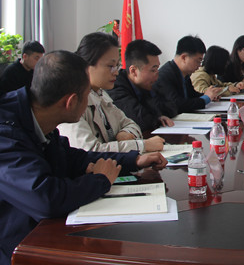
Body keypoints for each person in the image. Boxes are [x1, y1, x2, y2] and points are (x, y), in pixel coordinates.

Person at [0, 51, 167, 265]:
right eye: (87, 95)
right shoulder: (6, 133)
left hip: (42, 232)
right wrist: (100, 180)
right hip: (19, 248)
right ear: (70, 102)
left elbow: (72, 158)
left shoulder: (36, 114)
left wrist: (133, 160)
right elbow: (46, 198)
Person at [58, 33, 164, 152]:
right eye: (110, 66)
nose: (116, 72)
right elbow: (90, 151)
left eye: (117, 66)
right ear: (87, 65)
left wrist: (125, 133)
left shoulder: (100, 94)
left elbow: (131, 124)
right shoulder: (72, 102)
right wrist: (142, 145)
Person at [107, 39, 177, 134]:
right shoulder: (115, 87)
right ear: (133, 71)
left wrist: (157, 116)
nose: (157, 74)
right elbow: (141, 121)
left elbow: (172, 108)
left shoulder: (146, 83)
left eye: (157, 69)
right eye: (153, 70)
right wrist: (157, 117)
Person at [153, 35, 221, 114]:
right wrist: (206, 98)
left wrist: (209, 96)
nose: (199, 65)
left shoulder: (184, 74)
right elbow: (177, 105)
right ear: (184, 58)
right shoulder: (165, 76)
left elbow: (192, 96)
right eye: (198, 61)